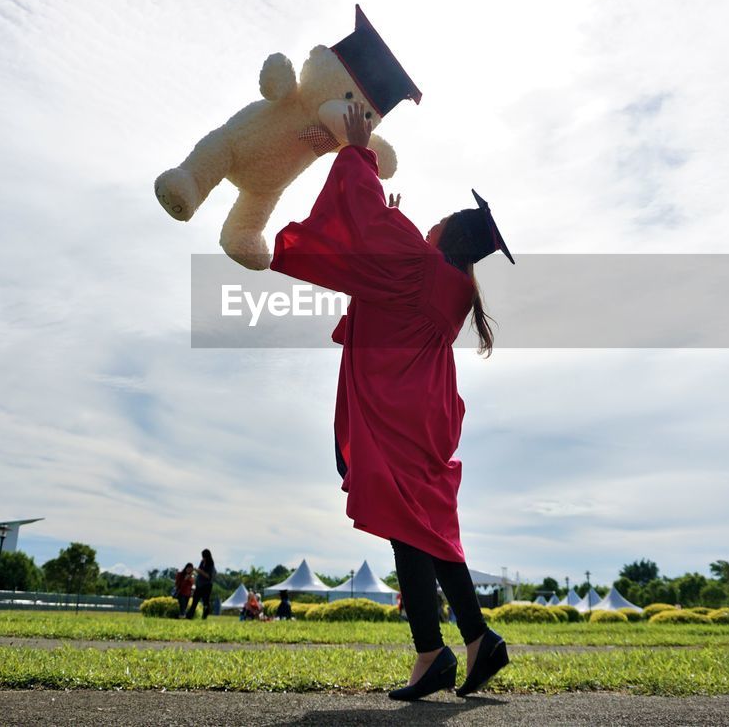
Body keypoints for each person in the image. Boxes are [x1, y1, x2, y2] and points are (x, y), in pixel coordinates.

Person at [271, 102, 514, 700]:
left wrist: (359, 151)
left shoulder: (419, 261)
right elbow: (382, 276)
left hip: (398, 410)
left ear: (444, 236)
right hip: (422, 410)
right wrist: (388, 230)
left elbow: (368, 223)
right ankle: (479, 641)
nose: (425, 226)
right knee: (424, 526)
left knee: (411, 528)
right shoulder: (448, 282)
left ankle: (434, 654)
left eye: (432, 226)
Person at [186, 549, 215, 620]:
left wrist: (200, 571)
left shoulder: (211, 564)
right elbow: (199, 570)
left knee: (206, 602)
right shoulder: (202, 562)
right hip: (199, 585)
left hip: (207, 586)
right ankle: (189, 616)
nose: (203, 558)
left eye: (204, 557)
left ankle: (204, 616)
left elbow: (208, 576)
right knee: (195, 600)